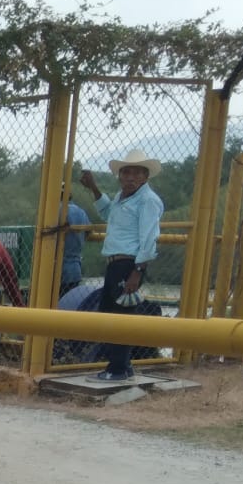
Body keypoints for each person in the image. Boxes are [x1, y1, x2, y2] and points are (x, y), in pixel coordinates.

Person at [81, 149, 164, 381]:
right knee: (109, 312)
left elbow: (149, 238)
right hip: (116, 263)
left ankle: (117, 368)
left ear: (145, 177)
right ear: (120, 176)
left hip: (129, 264)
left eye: (136, 173)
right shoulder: (122, 197)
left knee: (121, 315)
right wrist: (94, 188)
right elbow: (109, 213)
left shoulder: (148, 201)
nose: (129, 177)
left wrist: (137, 272)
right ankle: (122, 365)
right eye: (126, 172)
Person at [59, 199, 89, 294]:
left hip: (54, 269)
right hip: (74, 269)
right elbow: (89, 230)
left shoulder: (54, 211)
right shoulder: (81, 212)